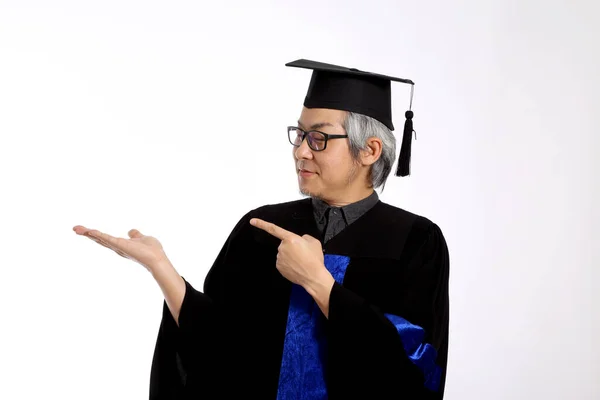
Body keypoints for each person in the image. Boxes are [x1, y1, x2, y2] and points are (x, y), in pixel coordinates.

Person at [73, 59, 450, 399]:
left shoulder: (415, 241)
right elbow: (217, 347)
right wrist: (160, 267)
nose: (301, 151)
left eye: (318, 138)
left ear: (369, 151)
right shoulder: (263, 228)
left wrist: (317, 282)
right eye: (299, 134)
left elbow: (414, 368)